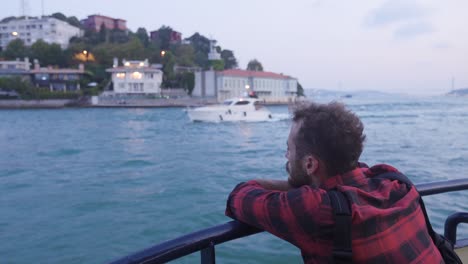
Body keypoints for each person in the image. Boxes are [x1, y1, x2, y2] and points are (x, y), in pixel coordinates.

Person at [225, 101, 443, 263]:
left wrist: (296, 185)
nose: (286, 156)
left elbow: (239, 196)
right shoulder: (394, 180)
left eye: (289, 149)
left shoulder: (317, 209)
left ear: (310, 165)